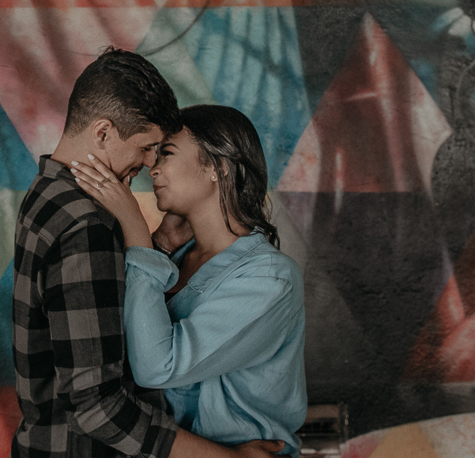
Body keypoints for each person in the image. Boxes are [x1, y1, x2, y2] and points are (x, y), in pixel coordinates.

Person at [12, 48, 286, 458]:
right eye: (146, 147)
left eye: (162, 152)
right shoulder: (87, 224)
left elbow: (93, 310)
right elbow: (98, 406)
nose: (149, 163)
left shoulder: (47, 195)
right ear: (103, 133)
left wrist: (156, 243)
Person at [71, 105, 306, 454]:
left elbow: (156, 367)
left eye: (166, 153)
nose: (152, 167)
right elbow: (118, 354)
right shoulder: (170, 258)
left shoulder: (270, 279)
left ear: (218, 167)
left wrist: (135, 229)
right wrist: (159, 245)